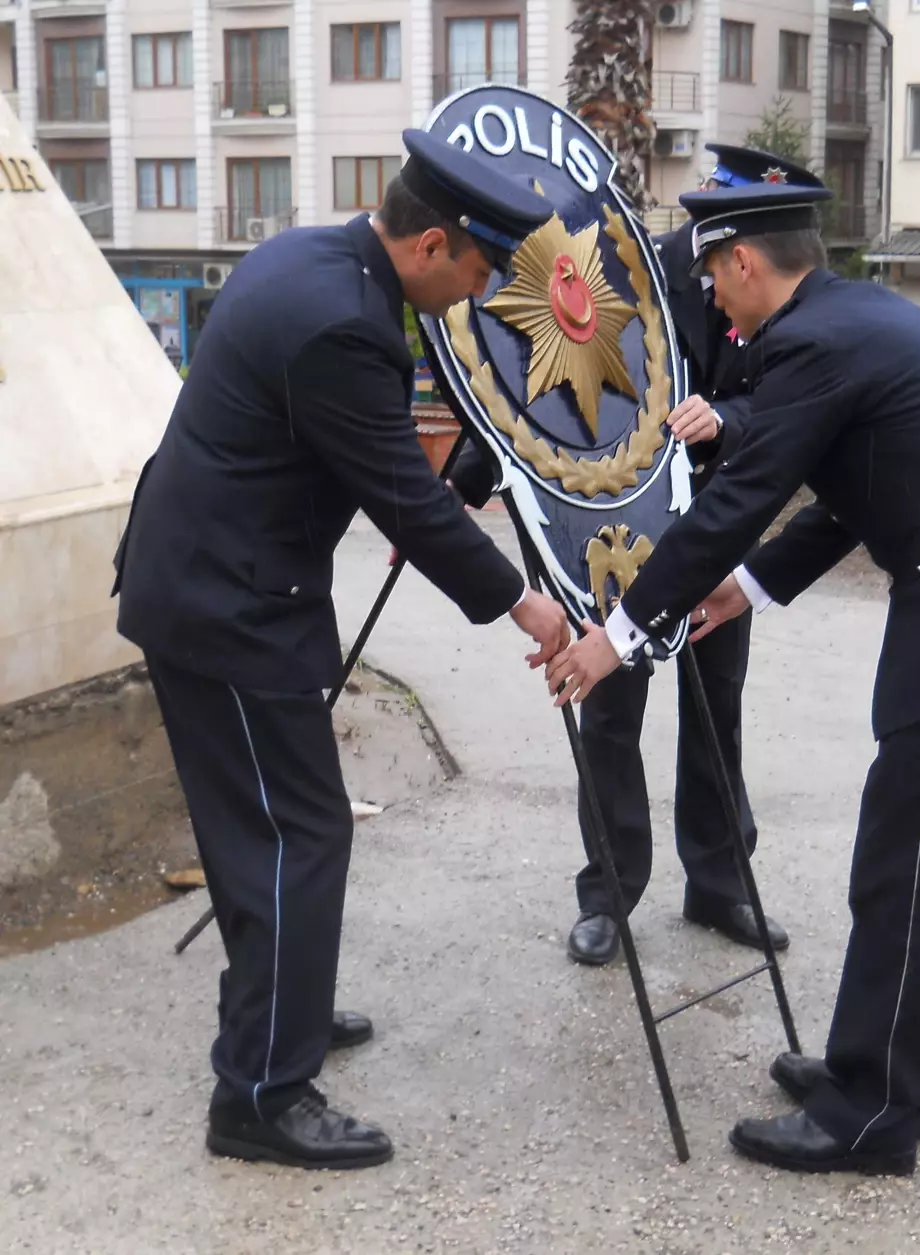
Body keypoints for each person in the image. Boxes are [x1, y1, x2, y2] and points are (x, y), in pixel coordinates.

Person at [545, 179, 920, 1175]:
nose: (715, 306)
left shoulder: (809, 344)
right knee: (917, 857)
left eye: (712, 278)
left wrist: (617, 633)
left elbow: (733, 500)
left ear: (743, 263)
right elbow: (848, 495)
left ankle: (874, 1111)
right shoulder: (862, 318)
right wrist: (746, 588)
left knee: (914, 868)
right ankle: (876, 1066)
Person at [112, 130, 569, 1171]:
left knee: (262, 830)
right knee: (296, 834)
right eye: (482, 269)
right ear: (435, 244)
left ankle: (282, 1013)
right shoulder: (343, 322)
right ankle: (264, 1092)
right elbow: (396, 492)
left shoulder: (312, 258)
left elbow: (356, 458)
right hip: (229, 609)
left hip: (207, 583)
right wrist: (524, 605)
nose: (484, 290)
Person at [448, 144, 807, 967]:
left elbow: (781, 398)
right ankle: (608, 892)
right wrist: (459, 491)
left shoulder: (772, 287)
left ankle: (719, 880)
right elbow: (535, 388)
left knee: (718, 705)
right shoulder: (630, 260)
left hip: (716, 517)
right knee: (611, 711)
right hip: (612, 521)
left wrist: (728, 418)